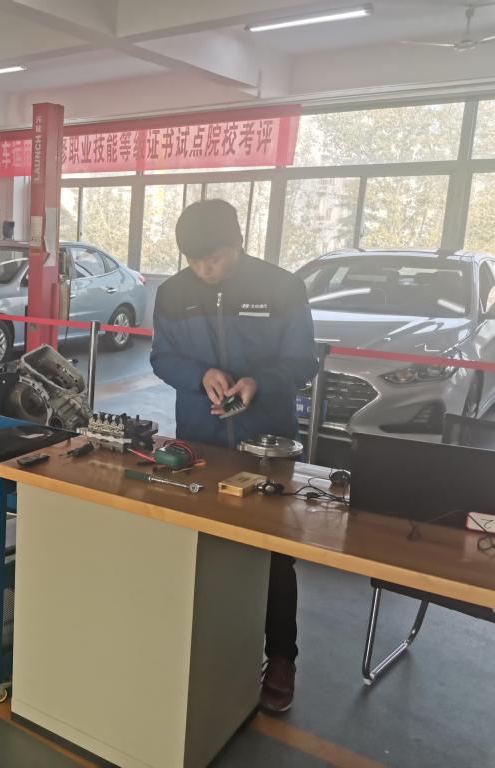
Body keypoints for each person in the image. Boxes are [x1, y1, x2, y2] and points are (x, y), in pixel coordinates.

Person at [149, 199, 319, 713]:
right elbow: (161, 357)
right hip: (200, 442)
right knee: (199, 548)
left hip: (267, 445)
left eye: (214, 258)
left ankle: (281, 657)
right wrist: (199, 375)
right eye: (193, 260)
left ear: (238, 243)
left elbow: (303, 360)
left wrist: (257, 382)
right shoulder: (173, 293)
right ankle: (203, 652)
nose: (203, 269)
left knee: (274, 555)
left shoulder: (282, 287)